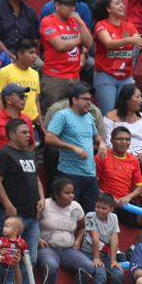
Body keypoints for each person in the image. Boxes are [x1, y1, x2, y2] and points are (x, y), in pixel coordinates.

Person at [0, 118, 43, 260]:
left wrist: (42, 198)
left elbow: (36, 179)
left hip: (32, 216)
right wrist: (8, 205)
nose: (28, 136)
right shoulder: (3, 154)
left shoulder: (30, 154)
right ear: (12, 135)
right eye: (24, 132)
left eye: (29, 132)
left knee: (29, 260)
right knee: (8, 258)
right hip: (13, 215)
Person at [45, 83, 102, 214]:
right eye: (86, 99)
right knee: (65, 212)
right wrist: (72, 147)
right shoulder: (62, 115)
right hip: (70, 174)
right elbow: (49, 138)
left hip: (90, 174)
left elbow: (96, 135)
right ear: (74, 100)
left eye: (90, 99)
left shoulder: (88, 116)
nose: (89, 102)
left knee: (93, 214)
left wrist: (101, 143)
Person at [40, 0, 92, 113]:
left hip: (75, 76)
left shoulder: (77, 21)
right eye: (68, 5)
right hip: (55, 77)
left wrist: (79, 22)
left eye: (73, 5)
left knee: (75, 114)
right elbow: (60, 45)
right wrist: (79, 39)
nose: (72, 8)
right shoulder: (48, 21)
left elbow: (88, 44)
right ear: (57, 5)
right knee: (51, 113)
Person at [92, 0, 142, 115]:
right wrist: (130, 39)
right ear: (108, 9)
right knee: (108, 114)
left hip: (126, 76)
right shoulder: (101, 25)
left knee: (128, 112)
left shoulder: (129, 26)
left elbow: (139, 42)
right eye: (117, 3)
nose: (122, 5)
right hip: (106, 74)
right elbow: (108, 43)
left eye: (122, 3)